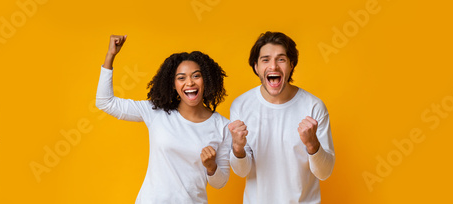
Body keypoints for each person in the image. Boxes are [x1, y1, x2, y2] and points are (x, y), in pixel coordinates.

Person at [96, 35, 231, 204]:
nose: (189, 82)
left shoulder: (222, 126)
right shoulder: (156, 112)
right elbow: (105, 102)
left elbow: (220, 182)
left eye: (196, 76)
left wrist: (211, 167)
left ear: (207, 80)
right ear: (173, 85)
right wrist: (110, 56)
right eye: (181, 78)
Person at [228, 31, 335, 203]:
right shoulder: (241, 105)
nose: (274, 67)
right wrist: (238, 149)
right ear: (256, 67)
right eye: (266, 59)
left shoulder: (314, 107)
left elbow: (325, 172)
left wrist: (312, 144)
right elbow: (242, 172)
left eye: (281, 59)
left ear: (291, 65)